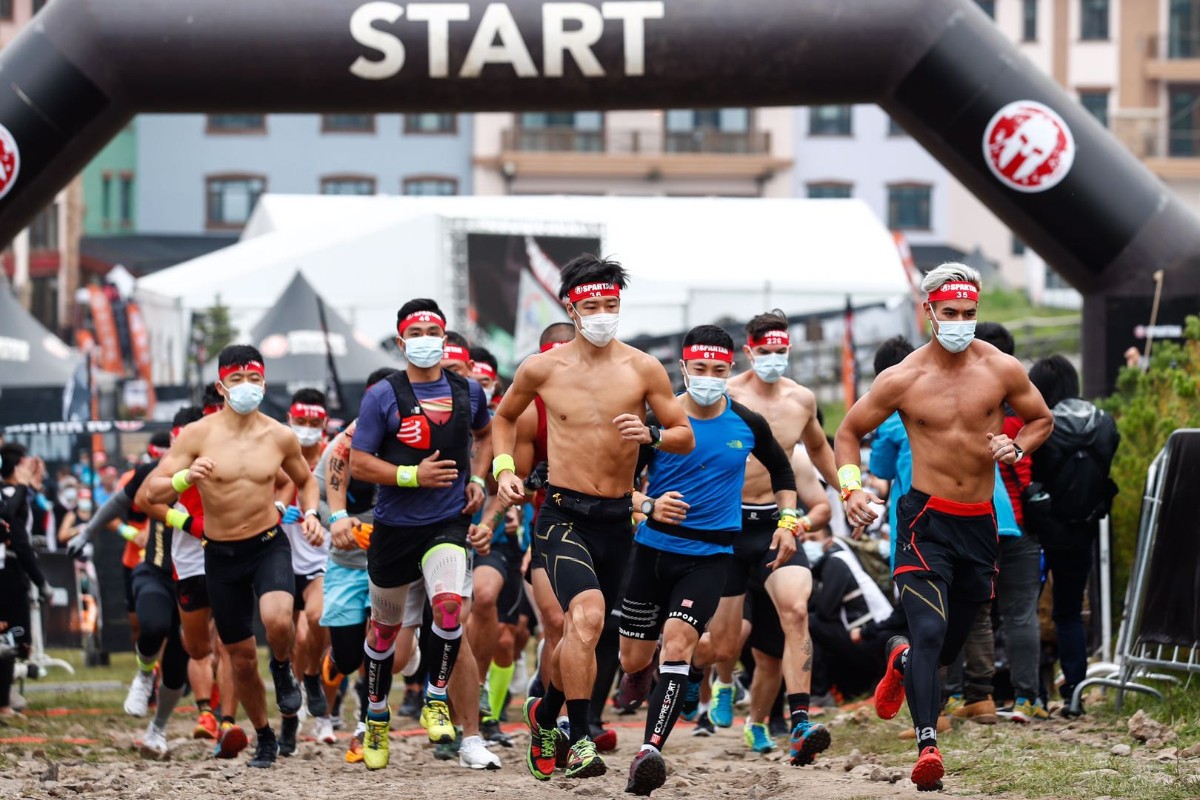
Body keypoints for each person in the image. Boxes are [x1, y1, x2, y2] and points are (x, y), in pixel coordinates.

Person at [834, 263, 1054, 791]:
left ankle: (901, 658)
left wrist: (1017, 446)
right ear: (929, 312)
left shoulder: (1001, 368)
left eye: (968, 313)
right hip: (924, 520)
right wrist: (851, 489)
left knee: (948, 644)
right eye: (949, 313)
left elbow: (1042, 419)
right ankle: (928, 747)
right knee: (930, 631)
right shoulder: (903, 378)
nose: (959, 322)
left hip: (979, 523)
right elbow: (847, 432)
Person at [492, 255, 694, 781]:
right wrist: (504, 469)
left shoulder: (643, 368)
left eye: (611, 304)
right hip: (563, 515)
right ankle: (579, 738)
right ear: (572, 308)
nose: (603, 313)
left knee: (595, 633)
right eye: (593, 305)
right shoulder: (543, 368)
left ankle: (545, 713)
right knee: (583, 617)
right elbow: (504, 417)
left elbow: (683, 434)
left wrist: (651, 434)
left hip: (618, 520)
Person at [618, 325, 798, 794]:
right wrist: (648, 505)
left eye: (719, 370)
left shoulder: (747, 423)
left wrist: (788, 520)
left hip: (711, 555)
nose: (709, 377)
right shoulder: (658, 422)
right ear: (683, 368)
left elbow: (782, 472)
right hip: (653, 551)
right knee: (634, 658)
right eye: (700, 368)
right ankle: (638, 673)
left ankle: (649, 752)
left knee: (679, 645)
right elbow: (619, 487)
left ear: (730, 369)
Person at [145, 344, 321, 768]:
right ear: (222, 386)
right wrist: (186, 476)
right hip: (220, 555)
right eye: (237, 379)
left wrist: (312, 513)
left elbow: (305, 480)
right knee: (240, 657)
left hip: (267, 544)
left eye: (254, 378)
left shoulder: (279, 435)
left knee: (278, 619)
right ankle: (264, 735)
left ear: (265, 383)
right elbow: (151, 492)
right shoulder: (197, 435)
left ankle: (282, 667)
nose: (247, 386)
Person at [348, 299, 495, 771]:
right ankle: (375, 716)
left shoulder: (469, 391)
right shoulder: (382, 396)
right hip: (394, 528)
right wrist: (412, 476)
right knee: (384, 632)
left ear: (445, 337)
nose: (426, 340)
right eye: (417, 333)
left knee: (449, 606)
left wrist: (477, 478)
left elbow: (486, 435)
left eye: (434, 332)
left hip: (447, 522)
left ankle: (435, 696)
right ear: (401, 342)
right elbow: (358, 462)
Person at [691, 309, 837, 765]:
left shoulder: (801, 399)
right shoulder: (724, 392)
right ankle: (706, 674)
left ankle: (799, 722)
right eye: (765, 350)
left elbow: (819, 449)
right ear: (749, 352)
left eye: (781, 350)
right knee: (724, 643)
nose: (775, 357)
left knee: (796, 612)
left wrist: (849, 488)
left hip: (776, 525)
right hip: (725, 524)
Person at [1027, 355, 1119, 717]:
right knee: (1069, 612)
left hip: (1039, 527)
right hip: (1083, 527)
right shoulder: (1103, 422)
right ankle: (1075, 695)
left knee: (1024, 611)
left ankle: (1031, 694)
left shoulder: (1043, 424)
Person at [318, 367, 398, 763]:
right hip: (346, 564)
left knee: (379, 647)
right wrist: (338, 521)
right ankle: (332, 664)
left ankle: (367, 725)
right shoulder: (341, 444)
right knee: (349, 656)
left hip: (390, 563)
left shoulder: (407, 437)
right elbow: (316, 497)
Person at [973, 322, 1046, 723]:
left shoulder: (971, 411)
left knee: (973, 614)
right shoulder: (1025, 414)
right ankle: (1027, 698)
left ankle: (970, 696)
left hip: (976, 524)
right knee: (1021, 614)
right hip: (1022, 527)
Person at [277, 388, 334, 754]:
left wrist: (320, 518)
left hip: (320, 560)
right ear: (290, 420)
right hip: (281, 559)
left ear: (324, 423)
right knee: (288, 639)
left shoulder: (333, 457)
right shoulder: (277, 455)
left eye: (314, 422)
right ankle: (289, 721)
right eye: (301, 421)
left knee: (317, 620)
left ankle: (312, 678)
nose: (307, 428)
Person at [803, 519, 902, 701]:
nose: (808, 545)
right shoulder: (833, 562)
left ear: (829, 540)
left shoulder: (836, 561)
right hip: (871, 637)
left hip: (873, 639)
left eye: (813, 538)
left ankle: (820, 693)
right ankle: (843, 690)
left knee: (810, 622)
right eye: (804, 540)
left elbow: (825, 611)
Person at [0, 443, 55, 717]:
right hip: (8, 574)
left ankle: (5, 694)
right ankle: (3, 699)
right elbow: (16, 534)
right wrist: (41, 581)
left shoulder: (21, 494)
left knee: (14, 640)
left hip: (13, 571)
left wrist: (32, 484)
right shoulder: (10, 494)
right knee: (10, 638)